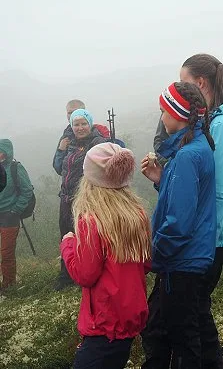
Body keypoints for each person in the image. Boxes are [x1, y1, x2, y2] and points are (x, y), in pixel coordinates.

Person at [153, 54, 223, 367]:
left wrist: (165, 250)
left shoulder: (220, 127)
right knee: (191, 315)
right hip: (201, 239)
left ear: (200, 84)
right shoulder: (206, 129)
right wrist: (163, 179)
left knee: (188, 319)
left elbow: (215, 193)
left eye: (184, 80)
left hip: (207, 238)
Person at [141, 82, 217, 368]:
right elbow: (186, 204)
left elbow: (178, 224)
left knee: (181, 337)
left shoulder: (186, 156)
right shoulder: (192, 149)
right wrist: (162, 180)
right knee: (167, 327)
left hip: (180, 262)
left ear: (178, 114)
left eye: (164, 111)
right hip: (188, 259)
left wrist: (153, 255)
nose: (161, 117)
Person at [60, 143, 151, 369]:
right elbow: (147, 263)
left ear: (89, 179)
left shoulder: (92, 220)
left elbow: (85, 275)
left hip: (104, 321)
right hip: (130, 317)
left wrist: (68, 245)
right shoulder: (137, 213)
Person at [54, 109, 107, 291]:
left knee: (85, 236)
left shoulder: (97, 142)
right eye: (76, 124)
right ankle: (66, 275)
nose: (80, 127)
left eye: (83, 123)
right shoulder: (70, 143)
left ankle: (86, 274)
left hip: (87, 199)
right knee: (66, 234)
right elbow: (59, 168)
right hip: (67, 198)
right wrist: (61, 149)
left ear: (90, 124)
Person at [0, 139, 33, 290]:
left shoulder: (15, 168)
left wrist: (16, 210)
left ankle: (8, 285)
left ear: (7, 152)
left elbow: (27, 190)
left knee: (6, 253)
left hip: (9, 216)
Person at [53, 100, 110, 175]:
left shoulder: (97, 138)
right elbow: (59, 169)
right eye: (69, 112)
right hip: (68, 186)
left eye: (76, 111)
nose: (73, 115)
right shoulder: (66, 136)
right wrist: (61, 150)